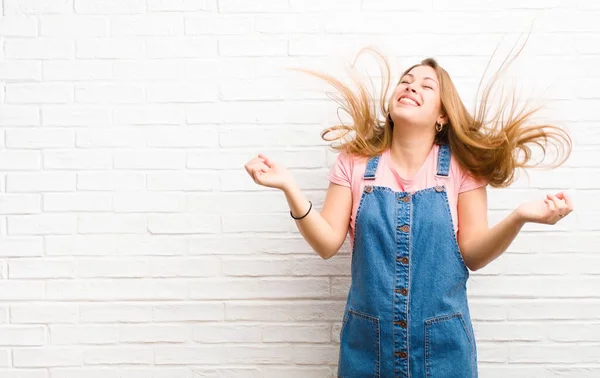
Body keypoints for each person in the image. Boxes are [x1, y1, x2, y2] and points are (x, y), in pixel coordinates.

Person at [243, 47, 573, 377]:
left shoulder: (462, 170)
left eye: (427, 86)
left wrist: (519, 217)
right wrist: (289, 187)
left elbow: (472, 254)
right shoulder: (354, 163)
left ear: (443, 116)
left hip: (444, 351)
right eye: (406, 80)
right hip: (367, 350)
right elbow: (327, 243)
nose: (411, 87)